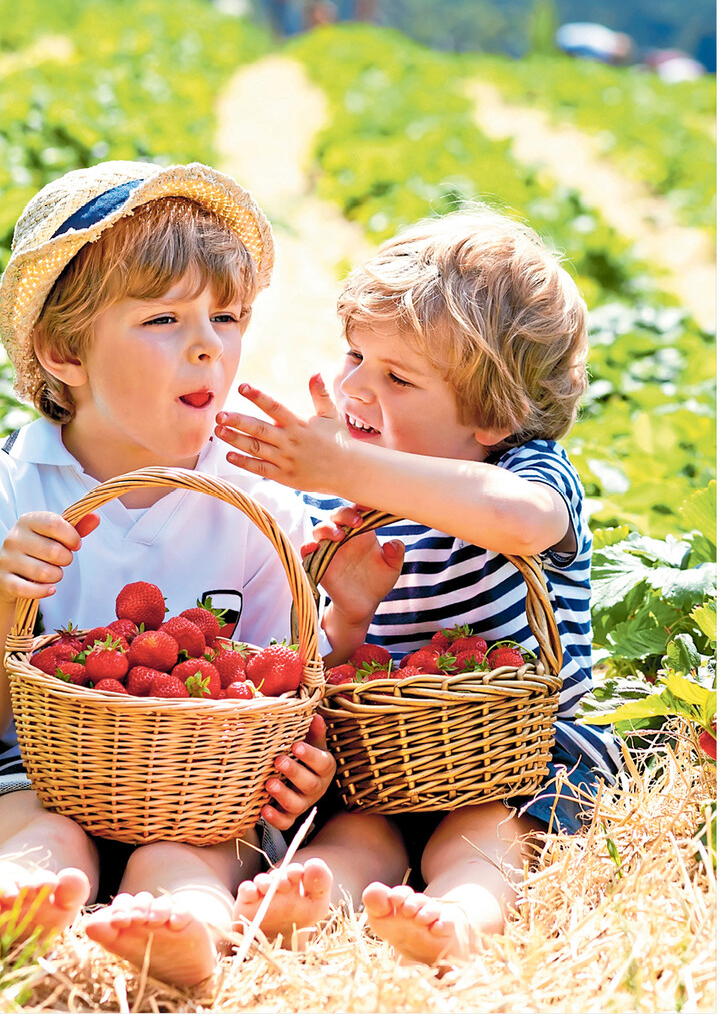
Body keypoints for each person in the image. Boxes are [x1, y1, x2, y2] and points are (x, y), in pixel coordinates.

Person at [0, 159, 337, 988]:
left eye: (228, 315)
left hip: (204, 786)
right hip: (36, 772)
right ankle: (5, 908)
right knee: (33, 833)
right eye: (165, 318)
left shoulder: (257, 502)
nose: (209, 343)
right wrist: (5, 596)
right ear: (64, 350)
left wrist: (300, 761)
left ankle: (180, 934)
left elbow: (283, 687)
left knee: (191, 856)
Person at [215, 206, 623, 964]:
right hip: (387, 765)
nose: (355, 387)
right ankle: (311, 901)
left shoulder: (525, 474)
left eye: (397, 376)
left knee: (485, 836)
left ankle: (461, 916)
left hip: (515, 760)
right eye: (354, 356)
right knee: (354, 835)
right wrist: (350, 611)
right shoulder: (347, 507)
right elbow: (328, 660)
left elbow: (523, 521)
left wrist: (345, 467)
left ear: (493, 418)